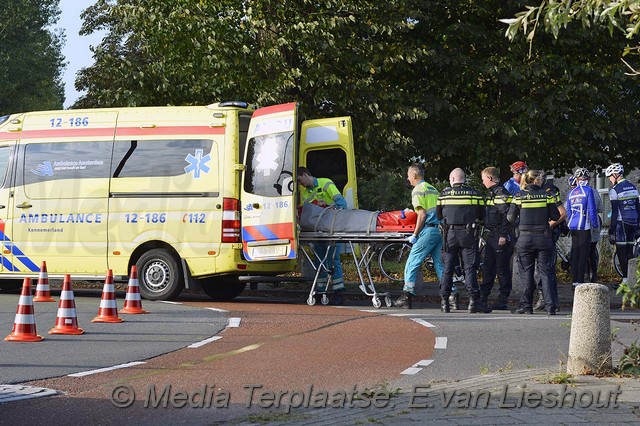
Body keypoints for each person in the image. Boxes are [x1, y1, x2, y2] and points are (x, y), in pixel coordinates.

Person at [437, 168, 491, 313]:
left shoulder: (444, 195)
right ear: (464, 179)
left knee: (447, 269)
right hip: (468, 234)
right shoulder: (475, 194)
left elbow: (439, 216)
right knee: (470, 268)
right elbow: (481, 215)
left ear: (452, 179)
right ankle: (473, 302)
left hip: (450, 234)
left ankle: (444, 302)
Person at [508, 170, 561, 315]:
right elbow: (556, 216)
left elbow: (510, 218)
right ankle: (551, 307)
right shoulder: (547, 195)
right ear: (538, 180)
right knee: (546, 273)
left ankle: (526, 306)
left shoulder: (519, 196)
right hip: (544, 238)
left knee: (526, 273)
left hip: (525, 239)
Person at [394, 163, 443, 309]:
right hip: (439, 230)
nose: (408, 179)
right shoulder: (433, 189)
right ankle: (451, 296)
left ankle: (406, 296)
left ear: (414, 175)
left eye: (409, 175)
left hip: (428, 230)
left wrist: (415, 234)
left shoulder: (417, 190)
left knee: (412, 262)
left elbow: (421, 215)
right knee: (441, 265)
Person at [297, 166, 347, 305]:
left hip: (331, 229)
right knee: (319, 261)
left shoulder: (326, 183)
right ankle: (320, 291)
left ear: (306, 174)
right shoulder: (306, 192)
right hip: (317, 231)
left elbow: (342, 204)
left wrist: (326, 207)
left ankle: (339, 293)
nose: (300, 184)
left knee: (332, 260)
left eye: (300, 180)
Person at [532, 175, 567, 312]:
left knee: (544, 268)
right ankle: (549, 300)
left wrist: (548, 225)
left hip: (549, 232)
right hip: (543, 233)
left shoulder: (549, 191)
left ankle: (547, 300)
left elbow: (562, 213)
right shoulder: (543, 190)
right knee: (544, 268)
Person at [479, 167, 513, 310]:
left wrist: (503, 235)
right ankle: (483, 298)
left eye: (483, 179)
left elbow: (507, 217)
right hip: (491, 236)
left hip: (499, 236)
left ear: (490, 178)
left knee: (502, 269)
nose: (482, 182)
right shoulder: (491, 194)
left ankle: (503, 299)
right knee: (488, 268)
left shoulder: (502, 194)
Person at [605, 163, 640, 288]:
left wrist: (612, 229)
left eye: (610, 177)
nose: (609, 180)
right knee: (630, 253)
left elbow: (615, 212)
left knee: (621, 253)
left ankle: (625, 281)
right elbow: (638, 207)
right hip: (634, 223)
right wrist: (638, 226)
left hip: (622, 223)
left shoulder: (615, 190)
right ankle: (632, 281)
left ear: (615, 175)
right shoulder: (633, 187)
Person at [566, 168, 600, 289]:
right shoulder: (588, 190)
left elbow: (568, 212)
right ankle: (580, 281)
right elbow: (592, 209)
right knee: (583, 255)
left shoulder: (571, 193)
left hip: (573, 225)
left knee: (575, 253)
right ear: (588, 179)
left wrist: (569, 223)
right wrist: (595, 225)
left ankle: (574, 281)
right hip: (584, 226)